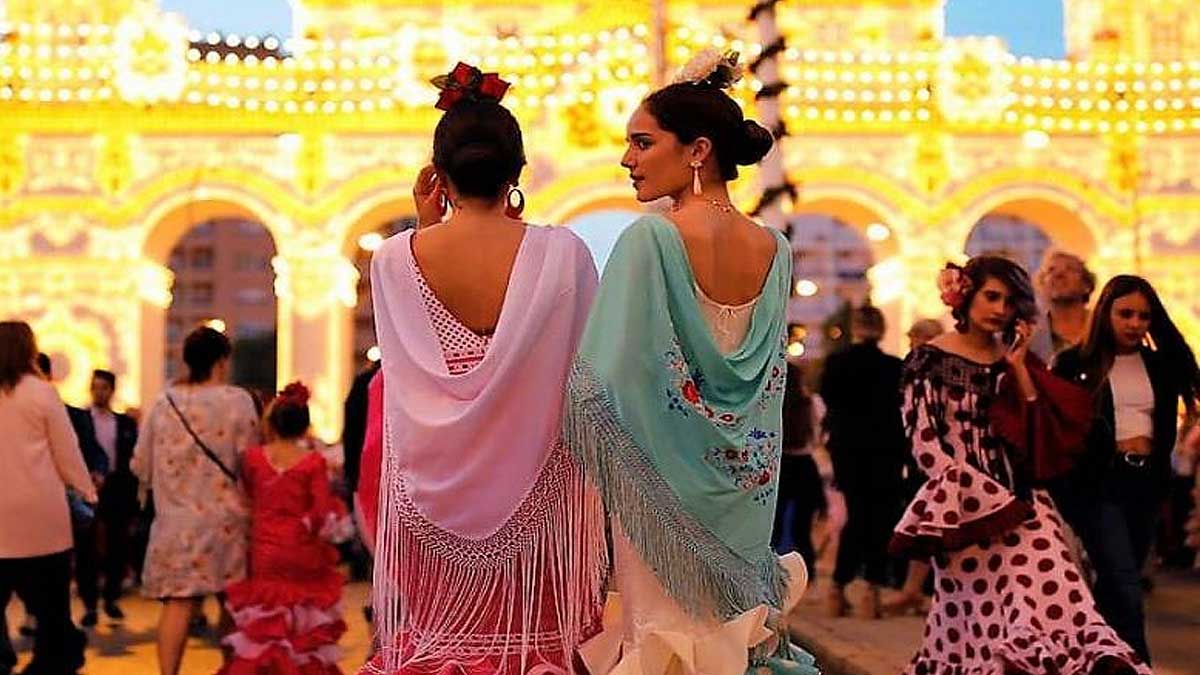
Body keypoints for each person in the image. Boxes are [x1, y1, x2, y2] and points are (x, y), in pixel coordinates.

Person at [564, 51, 817, 674]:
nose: (628, 159)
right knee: (729, 639)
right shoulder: (775, 248)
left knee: (660, 640)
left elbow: (606, 381)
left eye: (643, 143)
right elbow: (764, 382)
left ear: (698, 150)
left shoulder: (650, 238)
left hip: (659, 493)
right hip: (746, 489)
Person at [359, 62, 606, 674]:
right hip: (540, 499)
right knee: (532, 648)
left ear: (438, 175)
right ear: (518, 172)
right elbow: (589, 378)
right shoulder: (562, 253)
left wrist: (427, 226)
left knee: (443, 649)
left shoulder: (393, 260)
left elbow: (412, 362)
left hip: (428, 497)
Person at [890, 257, 1148, 675]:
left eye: (1010, 302)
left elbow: (1037, 431)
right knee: (973, 622)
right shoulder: (928, 360)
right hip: (962, 510)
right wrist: (961, 485)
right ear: (966, 295)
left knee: (1061, 596)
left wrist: (1018, 369)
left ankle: (1095, 661)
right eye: (992, 296)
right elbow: (923, 441)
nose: (1000, 309)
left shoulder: (1014, 360)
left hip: (1025, 501)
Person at [1051, 275, 1200, 663]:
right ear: (1105, 313)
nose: (1135, 323)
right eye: (1125, 314)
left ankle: (1097, 660)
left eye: (1144, 316)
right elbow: (1057, 428)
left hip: (1145, 484)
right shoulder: (1074, 363)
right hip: (1099, 485)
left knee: (1117, 584)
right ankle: (1138, 666)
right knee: (1123, 583)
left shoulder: (1161, 364)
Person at [132, 326, 259, 675]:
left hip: (175, 524)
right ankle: (232, 670)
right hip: (226, 523)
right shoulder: (237, 400)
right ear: (221, 361)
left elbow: (139, 464)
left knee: (178, 604)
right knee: (232, 603)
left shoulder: (163, 403)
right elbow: (250, 461)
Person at [221, 382, 351, 674]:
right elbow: (319, 513)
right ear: (305, 426)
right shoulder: (313, 462)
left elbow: (246, 499)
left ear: (273, 423)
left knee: (265, 624)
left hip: (264, 550)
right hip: (301, 551)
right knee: (302, 625)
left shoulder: (253, 458)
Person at [0, 321, 96, 674]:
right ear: (28, 349)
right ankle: (50, 662)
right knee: (52, 607)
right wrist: (86, 490)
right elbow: (66, 451)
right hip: (41, 519)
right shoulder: (41, 392)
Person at [819, 305, 908, 619]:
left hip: (849, 452)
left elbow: (828, 402)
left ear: (855, 329)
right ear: (882, 330)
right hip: (886, 452)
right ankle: (871, 589)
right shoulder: (894, 367)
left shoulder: (836, 364)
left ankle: (837, 588)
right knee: (880, 521)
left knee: (856, 517)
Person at [73, 369, 139, 627]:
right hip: (87, 487)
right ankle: (89, 603)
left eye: (104, 387)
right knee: (86, 547)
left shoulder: (125, 423)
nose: (99, 392)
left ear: (112, 390)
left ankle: (112, 596)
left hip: (117, 488)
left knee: (117, 544)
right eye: (95, 387)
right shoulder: (80, 420)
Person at [771, 363, 826, 580]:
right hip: (805, 466)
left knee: (772, 526)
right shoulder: (812, 404)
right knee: (802, 528)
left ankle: (770, 575)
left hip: (779, 466)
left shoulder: (772, 405)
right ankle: (806, 574)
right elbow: (819, 437)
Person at [1029, 248, 1095, 361]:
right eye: (1051, 270)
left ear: (1086, 285)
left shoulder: (1105, 328)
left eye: (1070, 269)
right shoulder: (1031, 337)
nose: (1059, 274)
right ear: (1041, 286)